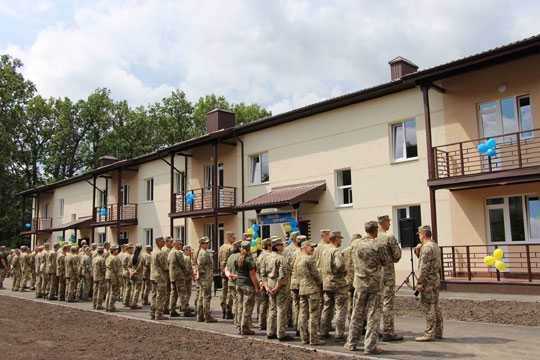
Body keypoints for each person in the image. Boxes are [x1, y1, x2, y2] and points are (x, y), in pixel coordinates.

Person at [344, 221, 390, 355]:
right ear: (375, 230)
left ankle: (351, 343)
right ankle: (370, 346)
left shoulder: (355, 244)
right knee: (373, 315)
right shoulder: (378, 245)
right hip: (374, 285)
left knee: (356, 314)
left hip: (359, 283)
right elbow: (386, 261)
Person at [377, 215, 403, 341]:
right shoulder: (389, 237)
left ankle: (374, 330)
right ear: (384, 222)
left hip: (375, 276)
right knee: (387, 303)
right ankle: (388, 331)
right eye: (389, 222)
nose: (390, 224)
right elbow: (397, 256)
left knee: (375, 303)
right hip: (387, 275)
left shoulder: (372, 238)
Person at [415, 225, 443, 342]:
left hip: (427, 282)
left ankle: (429, 333)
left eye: (420, 234)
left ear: (423, 234)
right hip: (435, 280)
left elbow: (423, 267)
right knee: (436, 306)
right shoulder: (435, 246)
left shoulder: (426, 248)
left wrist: (420, 282)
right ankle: (438, 332)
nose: (419, 237)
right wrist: (418, 252)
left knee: (428, 307)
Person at [262, 237, 292, 341]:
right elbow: (282, 276)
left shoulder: (267, 257)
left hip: (270, 284)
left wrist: (266, 287)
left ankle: (270, 332)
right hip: (279, 286)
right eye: (281, 245)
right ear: (277, 247)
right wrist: (277, 287)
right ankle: (281, 333)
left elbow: (263, 274)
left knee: (272, 309)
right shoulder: (281, 258)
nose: (283, 246)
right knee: (281, 309)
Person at [320, 231, 348, 340]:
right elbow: (340, 265)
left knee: (327, 307)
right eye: (340, 238)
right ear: (335, 239)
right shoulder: (336, 251)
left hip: (326, 282)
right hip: (337, 283)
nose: (341, 240)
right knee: (340, 308)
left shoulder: (324, 250)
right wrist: (343, 271)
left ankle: (323, 330)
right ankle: (339, 333)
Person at [297, 238, 324, 345]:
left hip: (302, 288)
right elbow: (316, 274)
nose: (313, 249)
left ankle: (304, 338)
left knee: (303, 314)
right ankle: (314, 339)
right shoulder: (309, 259)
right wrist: (321, 282)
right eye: (311, 247)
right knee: (313, 314)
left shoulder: (298, 259)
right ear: (305, 247)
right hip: (312, 289)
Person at [234, 241, 259, 335]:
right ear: (249, 249)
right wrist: (257, 287)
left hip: (238, 284)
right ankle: (245, 328)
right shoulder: (249, 259)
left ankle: (239, 326)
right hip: (247, 285)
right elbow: (252, 275)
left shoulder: (238, 258)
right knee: (247, 307)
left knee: (240, 306)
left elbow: (237, 271)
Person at [196, 236, 217, 323]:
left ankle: (200, 316)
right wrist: (203, 277)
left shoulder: (203, 252)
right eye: (205, 243)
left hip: (204, 278)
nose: (207, 244)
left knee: (201, 297)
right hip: (205, 278)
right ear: (201, 244)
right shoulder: (203, 253)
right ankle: (207, 316)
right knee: (206, 297)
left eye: (207, 243)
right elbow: (200, 266)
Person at [285, 232, 301, 333]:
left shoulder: (288, 249)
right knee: (294, 302)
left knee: (294, 302)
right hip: (293, 277)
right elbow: (287, 265)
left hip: (293, 278)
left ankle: (292, 321)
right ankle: (294, 322)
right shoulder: (291, 250)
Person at [168, 240, 190, 317]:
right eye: (180, 244)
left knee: (174, 293)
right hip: (179, 275)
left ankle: (172, 310)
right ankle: (185, 310)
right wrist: (186, 272)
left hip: (172, 275)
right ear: (176, 245)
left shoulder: (170, 252)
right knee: (183, 293)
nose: (181, 245)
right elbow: (182, 264)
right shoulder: (177, 252)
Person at [342, 234, 361, 322]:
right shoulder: (359, 249)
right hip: (358, 279)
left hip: (347, 279)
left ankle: (350, 321)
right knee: (359, 302)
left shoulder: (344, 251)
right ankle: (359, 323)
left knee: (350, 301)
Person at [150, 237, 169, 320]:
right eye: (162, 241)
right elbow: (165, 266)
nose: (164, 242)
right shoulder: (160, 253)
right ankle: (159, 314)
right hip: (160, 276)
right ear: (158, 242)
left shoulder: (153, 251)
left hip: (153, 276)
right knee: (160, 296)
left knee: (154, 295)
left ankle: (153, 313)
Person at [256, 238, 272, 331]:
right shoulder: (269, 256)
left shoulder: (260, 256)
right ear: (268, 246)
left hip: (261, 281)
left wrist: (260, 281)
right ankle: (266, 324)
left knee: (262, 303)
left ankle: (261, 323)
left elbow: (257, 271)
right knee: (269, 304)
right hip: (268, 282)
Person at [218, 231, 235, 319]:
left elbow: (219, 260)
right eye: (233, 236)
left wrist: (222, 270)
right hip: (229, 272)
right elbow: (231, 261)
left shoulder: (221, 247)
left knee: (223, 291)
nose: (234, 238)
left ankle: (223, 309)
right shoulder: (231, 248)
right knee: (230, 292)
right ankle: (229, 310)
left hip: (223, 272)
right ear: (229, 237)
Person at [105, 244, 122, 312]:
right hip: (113, 276)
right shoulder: (115, 258)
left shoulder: (108, 257)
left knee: (109, 292)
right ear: (113, 251)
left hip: (108, 275)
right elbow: (116, 270)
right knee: (113, 292)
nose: (117, 250)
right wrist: (119, 279)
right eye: (116, 249)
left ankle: (107, 306)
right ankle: (111, 306)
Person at [129, 245, 144, 309]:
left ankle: (131, 302)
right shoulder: (141, 257)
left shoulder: (131, 256)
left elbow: (129, 266)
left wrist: (131, 272)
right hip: (138, 275)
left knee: (132, 289)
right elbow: (140, 267)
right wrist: (135, 272)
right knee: (137, 290)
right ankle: (134, 304)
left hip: (132, 274)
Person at [183, 245, 194, 312]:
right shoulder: (186, 258)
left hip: (184, 277)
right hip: (187, 278)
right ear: (186, 250)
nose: (190, 252)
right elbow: (188, 269)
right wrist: (192, 275)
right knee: (188, 293)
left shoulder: (183, 257)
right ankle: (185, 306)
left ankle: (184, 305)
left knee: (185, 293)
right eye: (189, 251)